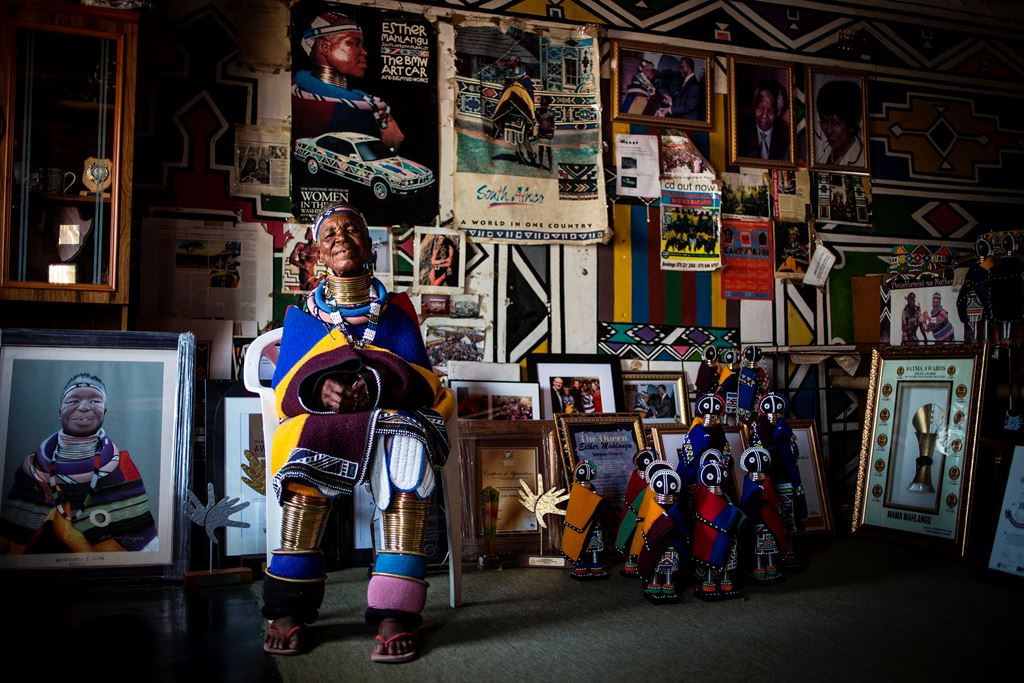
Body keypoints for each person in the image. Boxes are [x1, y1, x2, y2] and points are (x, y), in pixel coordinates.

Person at [261, 203, 453, 663]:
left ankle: (395, 614)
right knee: (305, 451)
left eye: (352, 231)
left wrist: (375, 383)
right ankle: (289, 607)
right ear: (318, 254)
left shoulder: (397, 311)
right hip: (323, 421)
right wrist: (319, 388)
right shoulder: (302, 317)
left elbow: (421, 379)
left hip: (391, 414)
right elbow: (286, 389)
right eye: (330, 234)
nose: (341, 238)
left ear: (369, 246)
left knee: (408, 456)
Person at [0, 374, 157, 554]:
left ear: (104, 412)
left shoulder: (123, 467)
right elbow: (7, 550)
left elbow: (143, 552)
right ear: (60, 412)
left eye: (95, 401)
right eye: (73, 401)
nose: (83, 407)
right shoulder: (33, 470)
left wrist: (71, 538)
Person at [292, 12, 404, 149]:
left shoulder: (371, 105)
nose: (364, 52)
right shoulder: (300, 101)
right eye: (355, 43)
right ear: (324, 47)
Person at [814, 79, 864, 166]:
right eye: (824, 121)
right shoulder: (819, 152)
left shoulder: (862, 162)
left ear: (851, 124)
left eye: (835, 123)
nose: (828, 130)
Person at [740, 79, 790, 161]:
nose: (764, 116)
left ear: (778, 112)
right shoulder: (741, 131)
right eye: (759, 108)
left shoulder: (786, 136)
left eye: (771, 111)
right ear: (754, 106)